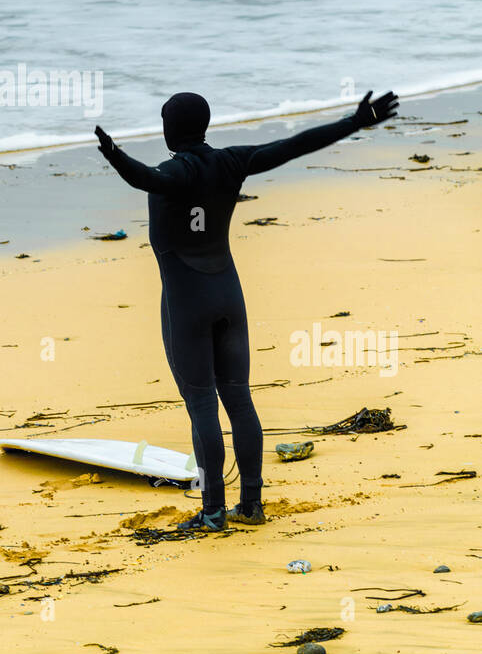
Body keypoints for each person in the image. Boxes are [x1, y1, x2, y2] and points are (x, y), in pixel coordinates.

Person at [95, 89, 399, 531]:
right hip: (228, 295)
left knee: (201, 402)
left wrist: (114, 154)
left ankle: (213, 511)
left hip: (186, 301)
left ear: (169, 129)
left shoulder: (171, 172)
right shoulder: (231, 162)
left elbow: (144, 179)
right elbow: (291, 147)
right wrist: (353, 122)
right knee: (238, 398)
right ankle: (252, 505)